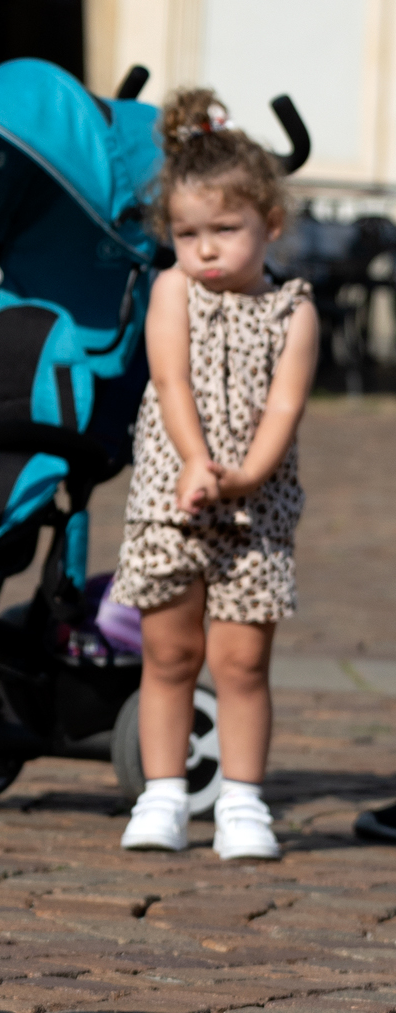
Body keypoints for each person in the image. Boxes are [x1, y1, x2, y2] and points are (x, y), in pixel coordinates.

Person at [111, 89, 317, 861]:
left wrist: (242, 477)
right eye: (187, 233)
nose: (204, 250)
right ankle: (161, 792)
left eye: (225, 230)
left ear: (271, 224)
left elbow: (285, 407)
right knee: (168, 654)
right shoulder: (172, 290)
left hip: (253, 508)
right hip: (174, 498)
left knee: (242, 660)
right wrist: (197, 462)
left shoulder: (294, 309)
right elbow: (171, 384)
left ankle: (242, 798)